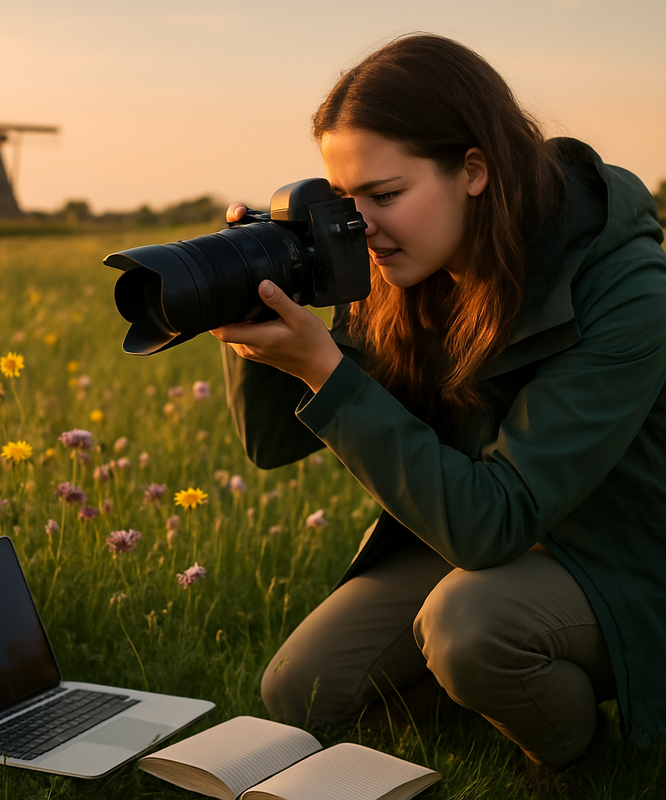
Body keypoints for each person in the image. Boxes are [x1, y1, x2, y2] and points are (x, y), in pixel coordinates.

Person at [209, 32, 666, 772]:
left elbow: (496, 521)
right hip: (487, 542)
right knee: (304, 690)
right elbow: (270, 445)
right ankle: (510, 692)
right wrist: (258, 302)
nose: (365, 228)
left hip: (620, 558)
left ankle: (582, 762)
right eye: (348, 202)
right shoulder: (407, 271)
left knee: (470, 627)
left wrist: (328, 372)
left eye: (386, 196)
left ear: (475, 170)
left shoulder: (627, 289)